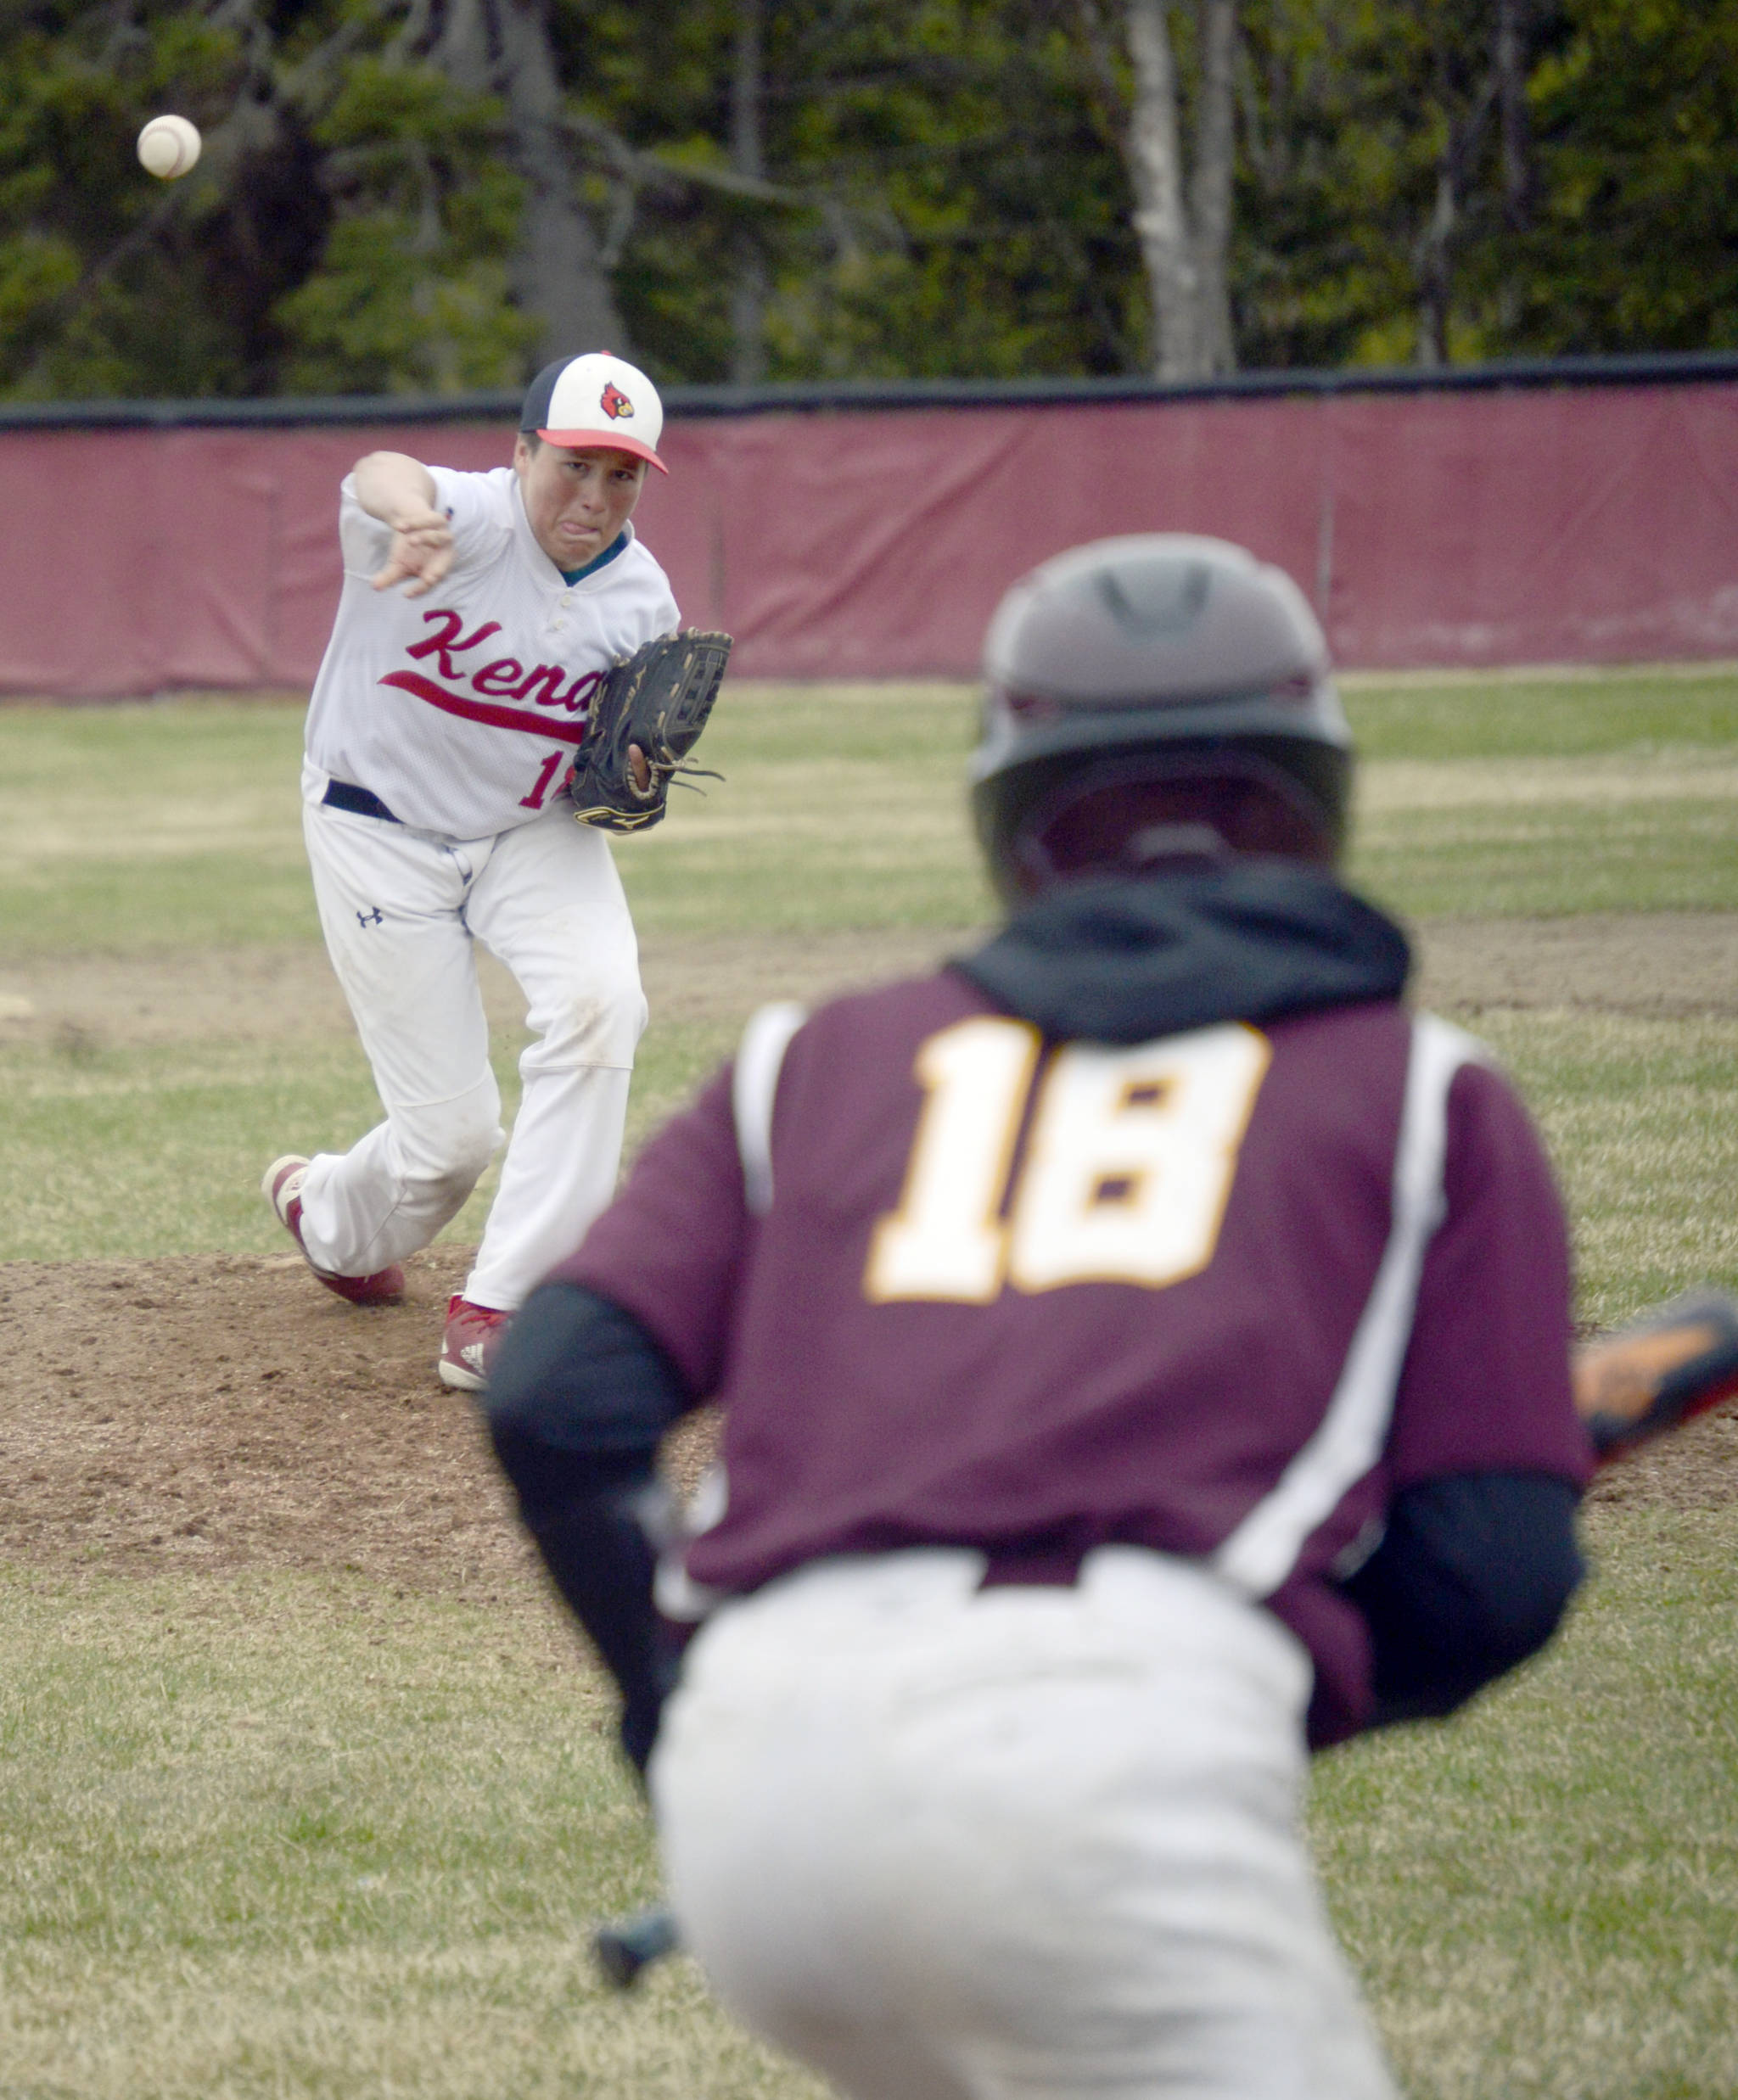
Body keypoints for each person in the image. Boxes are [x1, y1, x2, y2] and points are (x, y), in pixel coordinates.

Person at [482, 534, 1592, 2099]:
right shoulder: (1425, 1091)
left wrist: (673, 1715)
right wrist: (1287, 1663)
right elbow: (1490, 1576)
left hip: (758, 1793)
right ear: (1315, 798)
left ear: (1009, 817)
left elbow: (551, 1396)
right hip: (1111, 1762)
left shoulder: (816, 1059)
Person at [262, 352, 678, 1392]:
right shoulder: (462, 519)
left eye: (620, 475)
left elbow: (615, 771)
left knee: (600, 1005)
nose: (593, 498)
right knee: (450, 1140)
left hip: (528, 830)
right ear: (522, 451)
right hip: (378, 826)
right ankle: (328, 1215)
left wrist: (631, 774)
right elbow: (378, 467)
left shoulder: (641, 601)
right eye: (573, 466)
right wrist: (410, 516)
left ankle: (512, 1306)